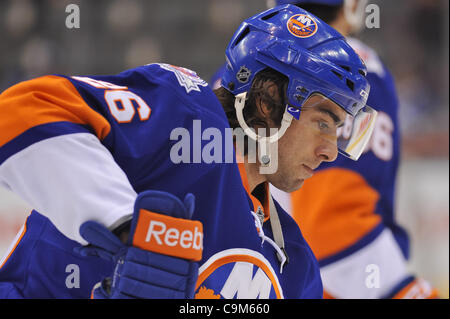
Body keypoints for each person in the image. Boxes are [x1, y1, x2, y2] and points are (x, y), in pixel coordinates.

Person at [0, 5, 375, 299]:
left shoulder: (294, 266)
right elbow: (18, 114)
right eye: (324, 122)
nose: (330, 152)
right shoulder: (184, 117)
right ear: (269, 100)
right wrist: (129, 227)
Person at [266, 0, 438, 299]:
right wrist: (394, 287)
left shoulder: (241, 61)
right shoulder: (357, 69)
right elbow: (332, 221)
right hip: (329, 279)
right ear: (353, 5)